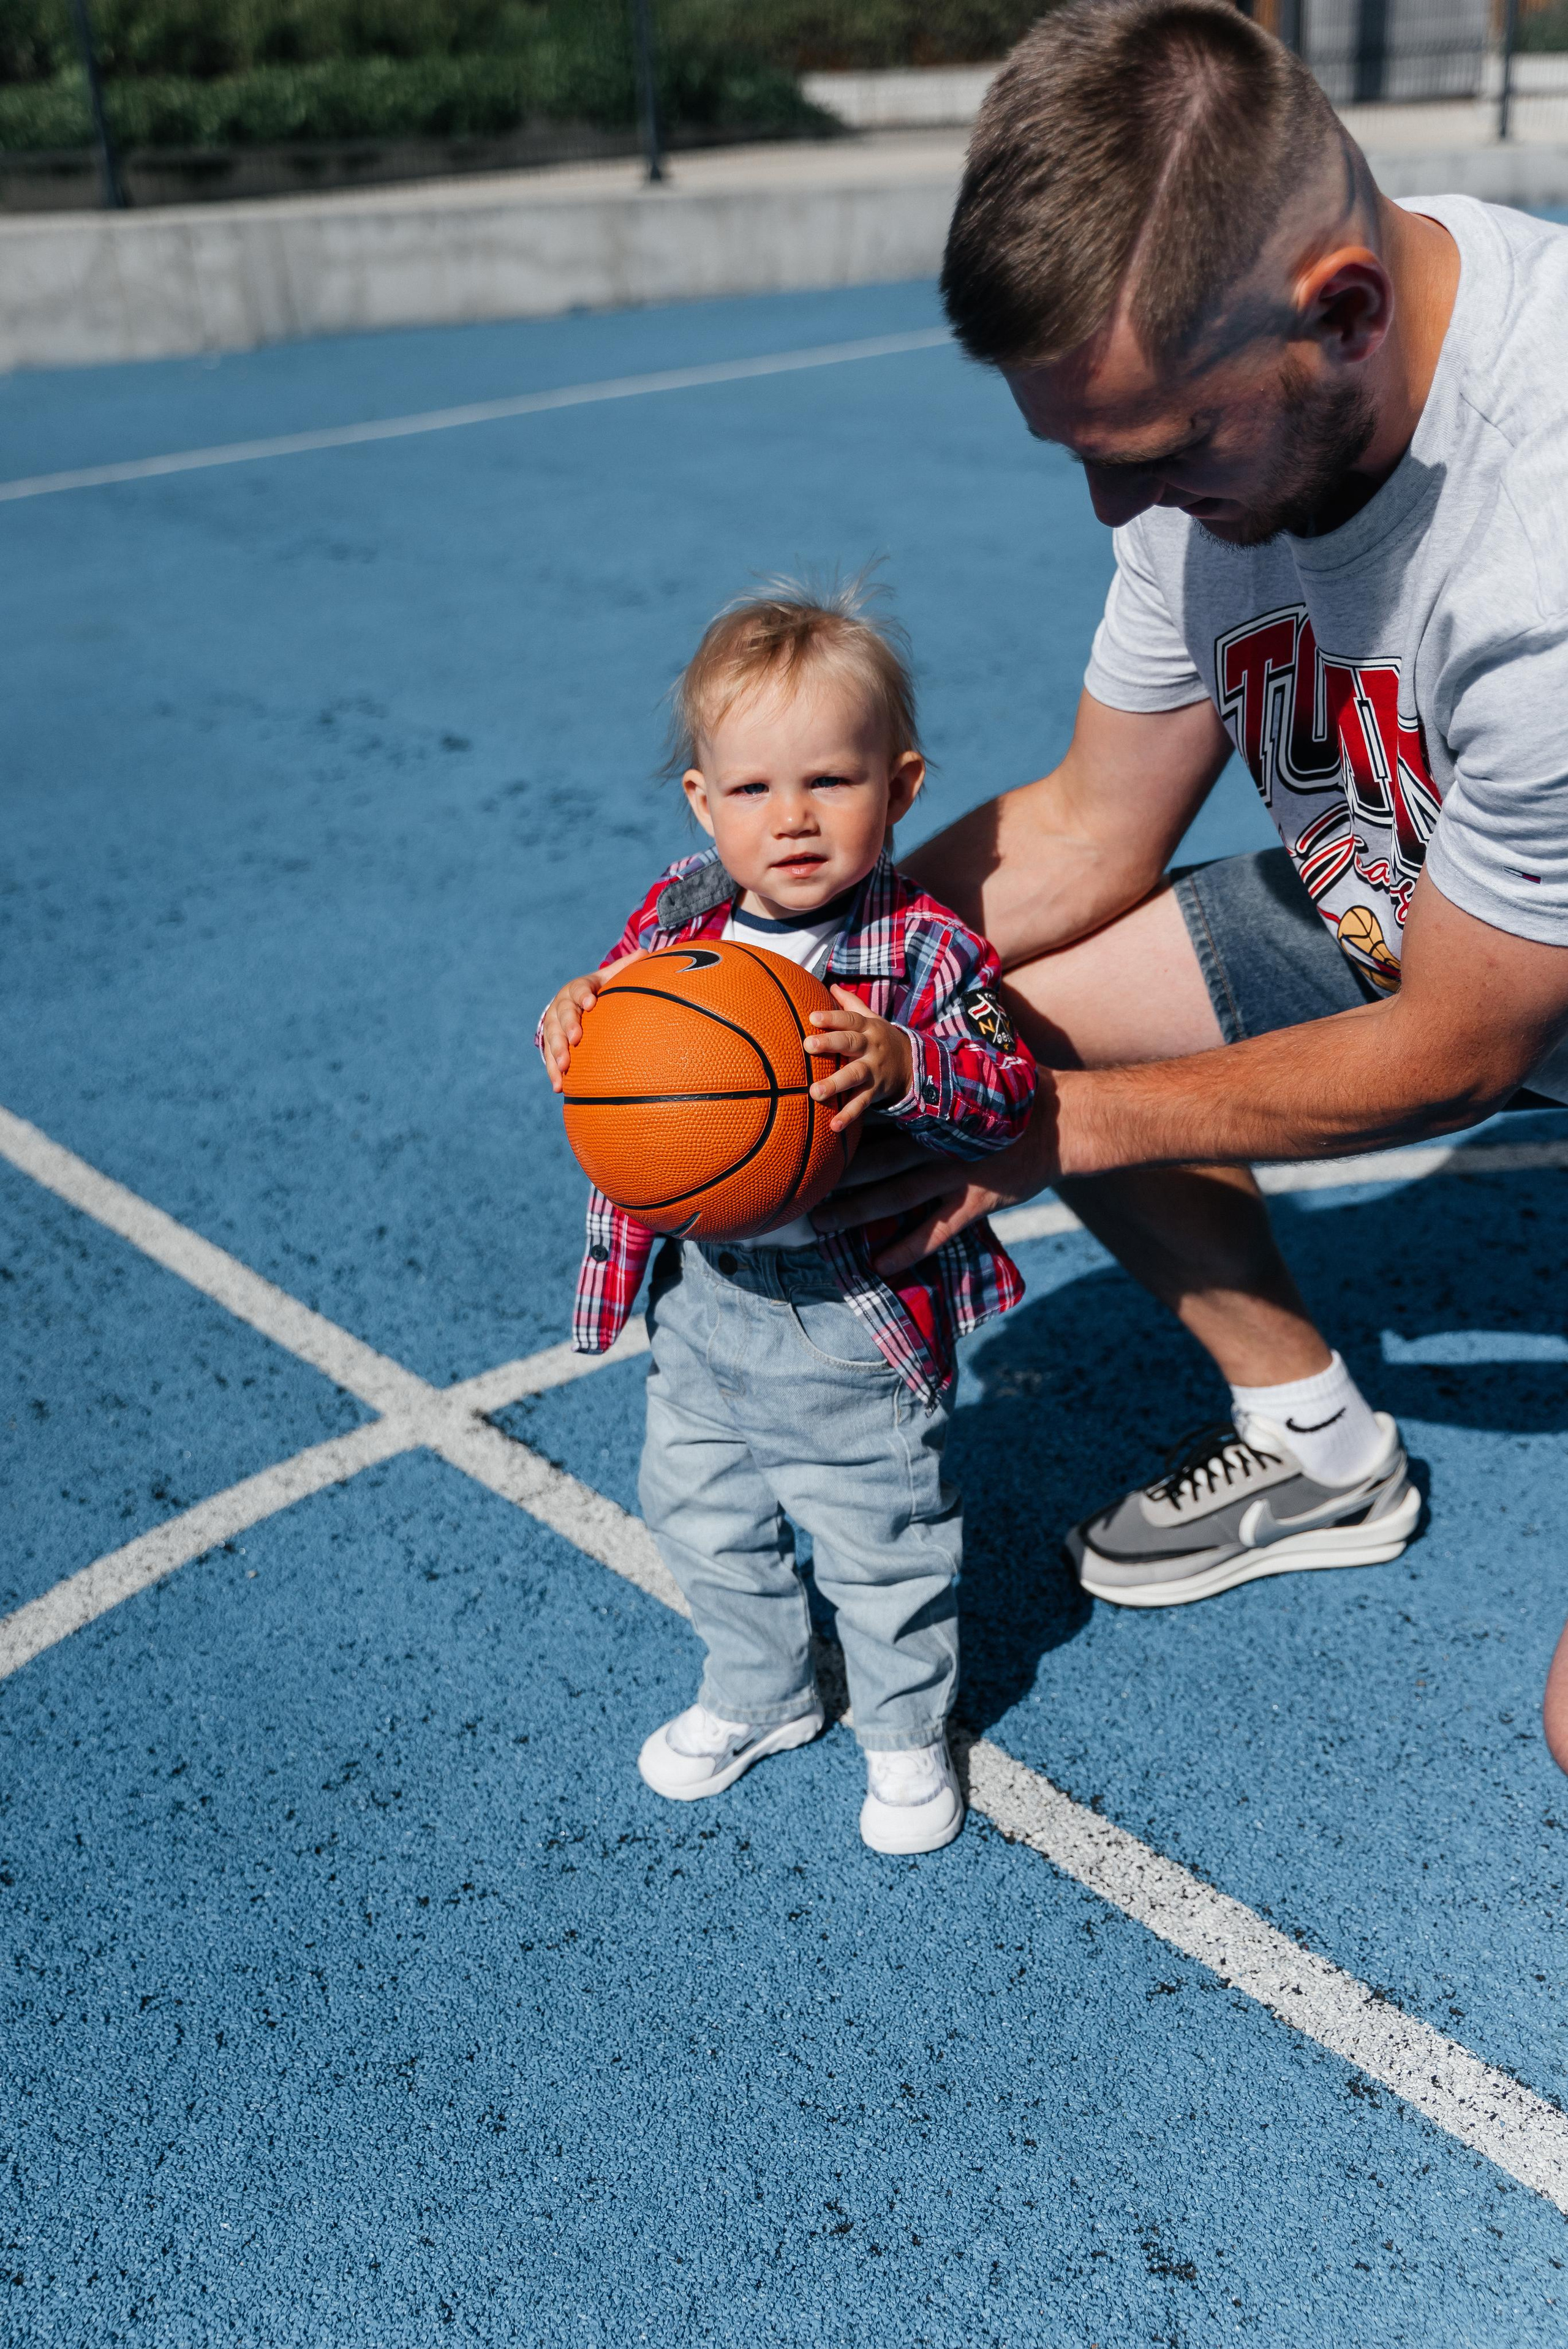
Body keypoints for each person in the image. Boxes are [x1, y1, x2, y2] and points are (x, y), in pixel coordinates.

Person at [813, 0, 1568, 1631]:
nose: (1111, 507)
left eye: (1150, 450)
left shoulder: (1545, 534)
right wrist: (788, 972)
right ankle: (1316, 1442)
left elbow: (1466, 1050)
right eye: (1079, 451)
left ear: (1343, 311)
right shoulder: (1217, 444)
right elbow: (1089, 826)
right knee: (983, 1006)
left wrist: (1038, 1128)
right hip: (1454, 919)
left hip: (1493, 989)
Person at [538, 586, 1035, 1852]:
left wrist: (907, 1065)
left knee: (883, 1546)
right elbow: (621, 1045)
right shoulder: (675, 921)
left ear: (901, 785)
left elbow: (1008, 1095)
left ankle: (903, 1732)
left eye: (831, 778)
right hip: (700, 1305)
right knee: (698, 1517)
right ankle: (758, 1690)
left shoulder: (922, 954)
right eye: (752, 789)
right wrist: (573, 1016)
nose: (794, 816)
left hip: (850, 1317)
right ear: (703, 803)